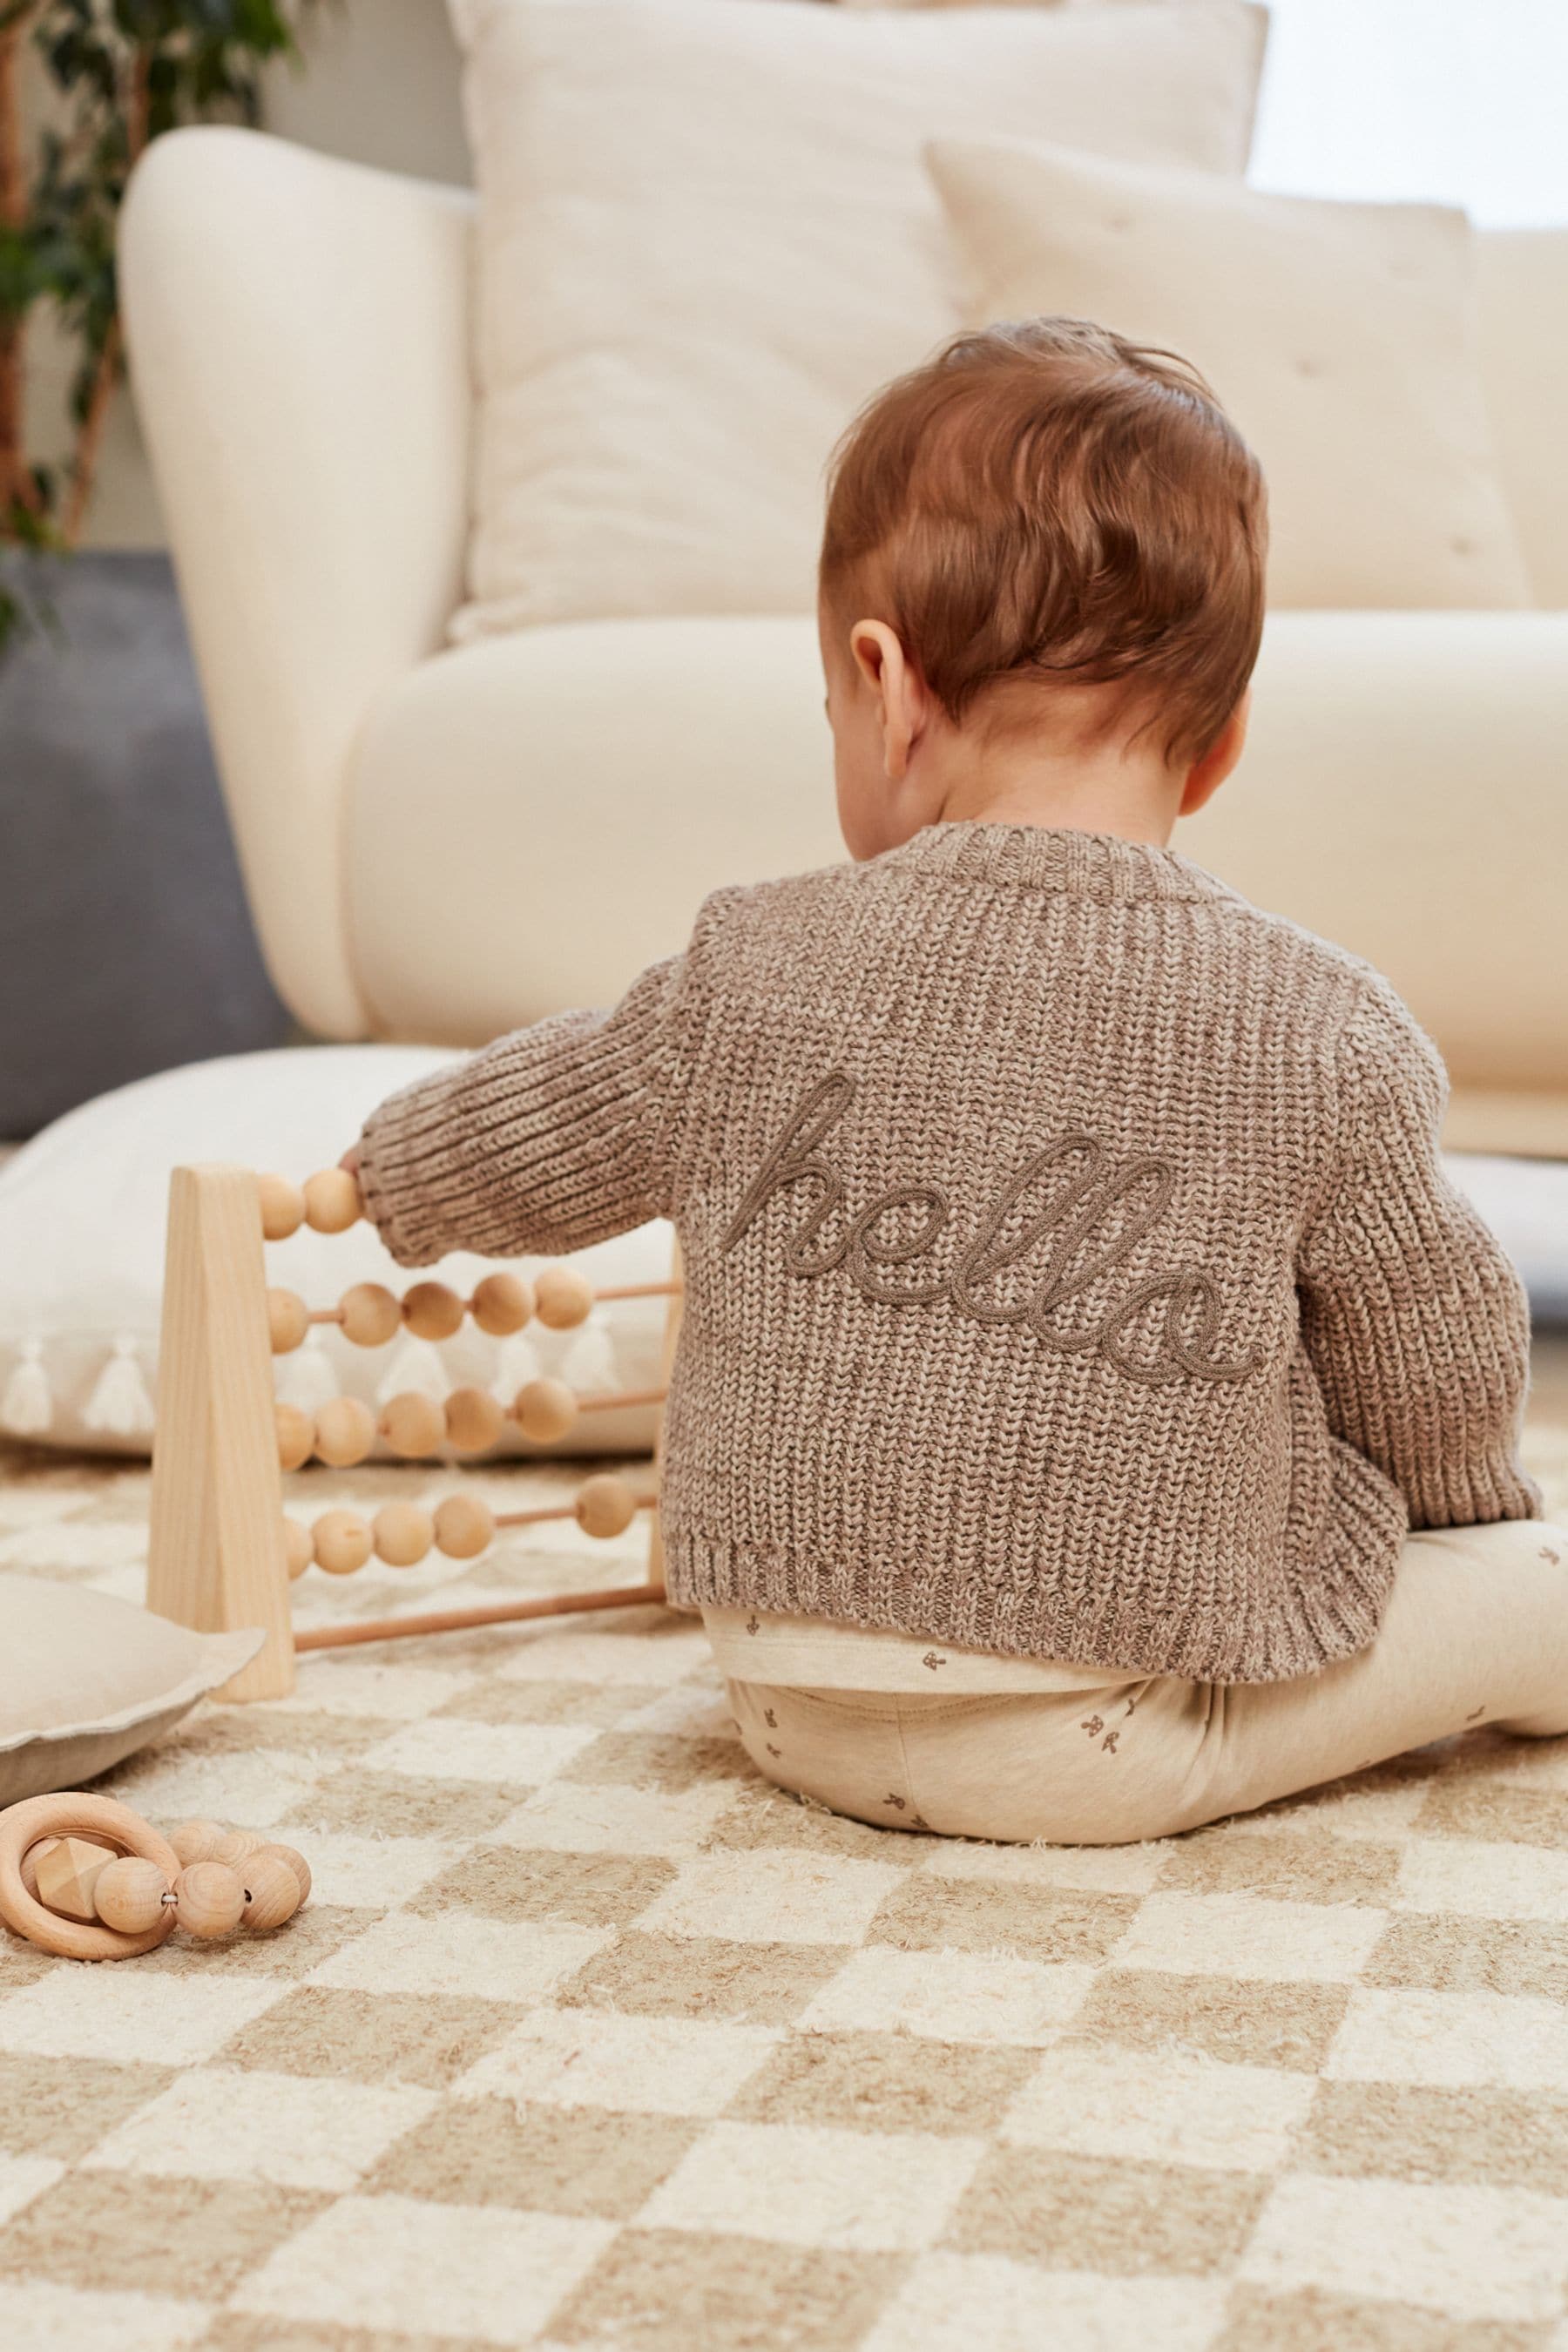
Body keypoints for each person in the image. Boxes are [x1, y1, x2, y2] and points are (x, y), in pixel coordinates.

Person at [348, 318, 1564, 1844]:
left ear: (886, 683)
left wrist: (389, 1171)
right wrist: (1455, 1516)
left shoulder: (750, 964)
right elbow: (1431, 1348)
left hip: (780, 1701)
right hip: (1100, 1742)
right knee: (1537, 1584)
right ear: (1224, 743)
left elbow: (547, 1121)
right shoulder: (1323, 1026)